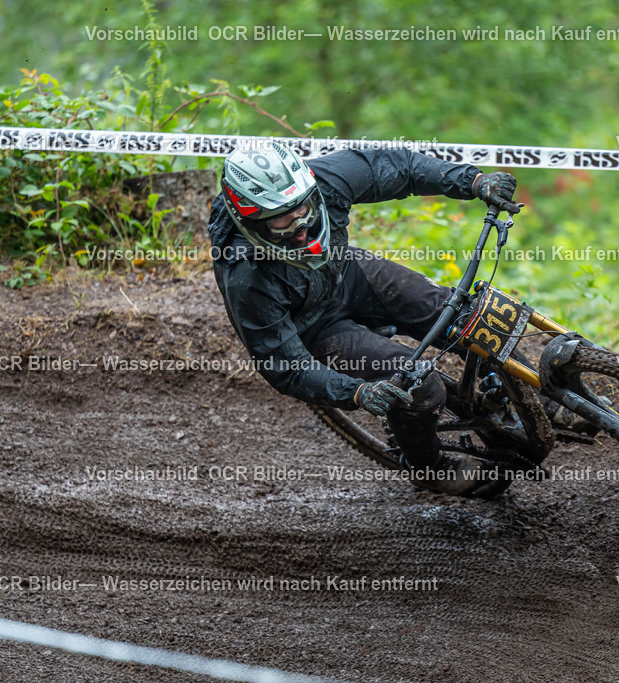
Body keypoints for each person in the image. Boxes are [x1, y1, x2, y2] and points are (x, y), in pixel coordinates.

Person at [207, 141, 520, 497]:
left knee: (469, 315)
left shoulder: (325, 179)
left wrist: (475, 182)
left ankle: (547, 399)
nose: (301, 222)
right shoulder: (245, 275)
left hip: (346, 273)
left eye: (303, 206)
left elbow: (397, 167)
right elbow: (285, 367)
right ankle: (428, 468)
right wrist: (357, 392)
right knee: (417, 386)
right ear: (250, 216)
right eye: (282, 215)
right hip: (314, 327)